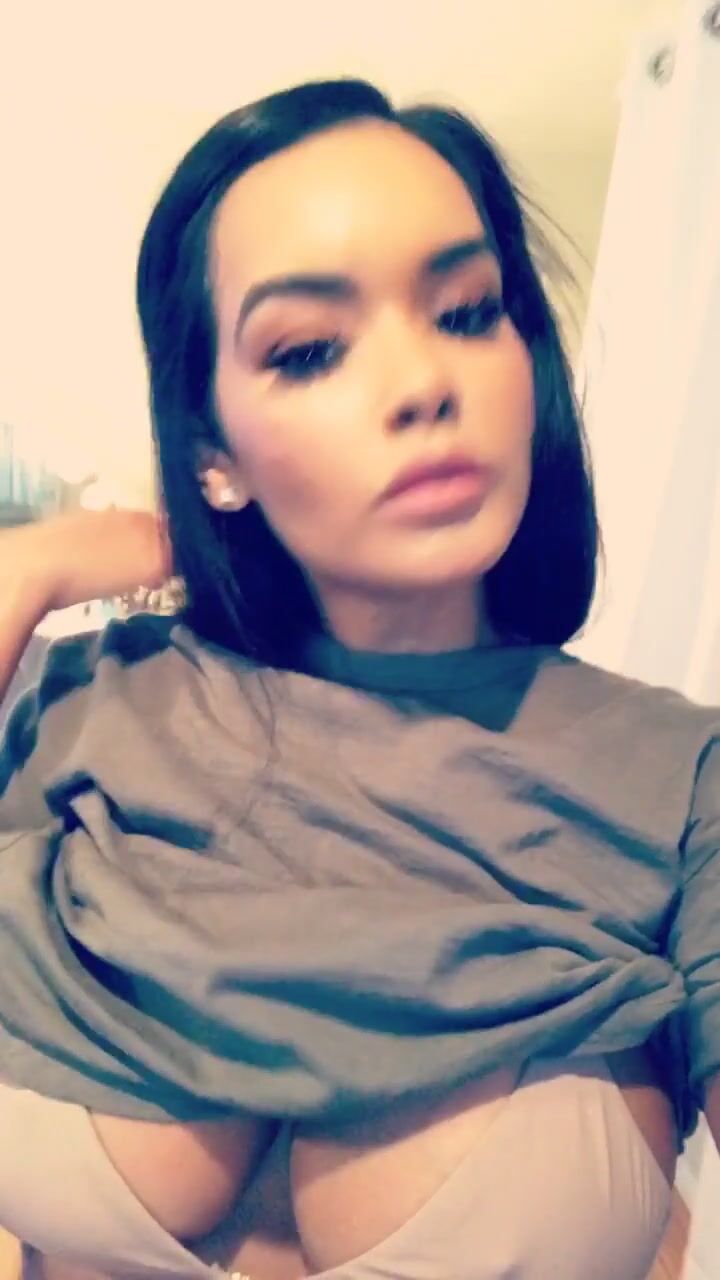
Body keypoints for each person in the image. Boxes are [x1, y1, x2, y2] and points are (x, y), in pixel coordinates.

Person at [0, 77, 717, 1280]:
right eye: (311, 349)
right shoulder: (90, 703)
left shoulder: (680, 779)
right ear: (213, 453)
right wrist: (37, 563)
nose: (424, 381)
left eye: (468, 311)